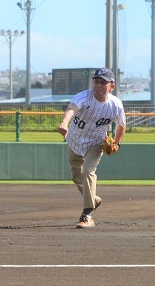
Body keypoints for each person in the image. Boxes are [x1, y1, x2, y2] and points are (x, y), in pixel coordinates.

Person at [58, 67, 126, 229]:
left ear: (112, 86)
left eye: (103, 82)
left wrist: (116, 142)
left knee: (88, 171)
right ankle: (93, 199)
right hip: (75, 140)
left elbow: (121, 125)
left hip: (96, 142)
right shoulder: (83, 97)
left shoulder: (115, 104)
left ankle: (87, 215)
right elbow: (71, 110)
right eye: (96, 81)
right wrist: (64, 123)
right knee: (76, 176)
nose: (99, 85)